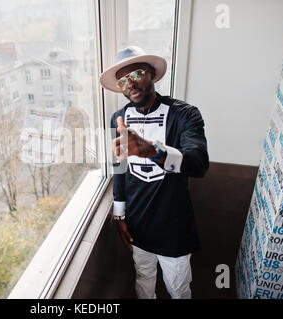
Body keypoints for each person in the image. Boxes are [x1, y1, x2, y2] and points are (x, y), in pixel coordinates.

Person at [100, 46, 209, 299]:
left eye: (137, 73)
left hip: (174, 227)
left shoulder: (184, 114)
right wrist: (119, 216)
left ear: (151, 74)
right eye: (123, 80)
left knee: (179, 290)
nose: (131, 83)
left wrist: (153, 151)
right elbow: (120, 168)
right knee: (143, 279)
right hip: (137, 224)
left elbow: (199, 163)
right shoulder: (118, 118)